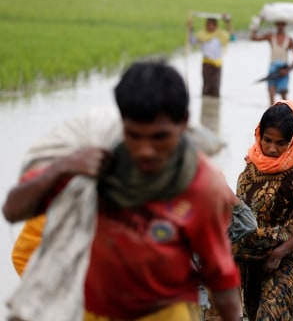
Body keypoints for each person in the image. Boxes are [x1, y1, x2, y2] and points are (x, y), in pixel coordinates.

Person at [3, 61, 242, 320]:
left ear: (183, 123)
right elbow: (13, 210)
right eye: (134, 135)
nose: (145, 150)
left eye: (159, 137)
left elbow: (221, 276)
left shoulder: (203, 187)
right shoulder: (96, 164)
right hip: (93, 311)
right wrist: (62, 167)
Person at [232, 100, 293, 320]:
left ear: (292, 142)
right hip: (245, 257)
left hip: (280, 259)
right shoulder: (251, 164)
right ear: (259, 135)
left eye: (280, 143)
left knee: (270, 315)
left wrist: (279, 253)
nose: (272, 148)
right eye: (267, 140)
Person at [250, 19, 293, 105]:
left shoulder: (289, 40)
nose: (280, 26)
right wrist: (257, 24)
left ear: (284, 25)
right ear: (276, 25)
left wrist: (287, 70)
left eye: (282, 24)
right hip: (273, 68)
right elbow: (253, 38)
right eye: (278, 24)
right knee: (271, 93)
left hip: (284, 68)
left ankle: (286, 115)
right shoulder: (270, 36)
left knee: (284, 96)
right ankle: (272, 114)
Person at [188, 15, 234, 98]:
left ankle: (214, 106)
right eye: (208, 24)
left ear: (216, 26)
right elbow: (192, 41)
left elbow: (233, 38)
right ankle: (205, 104)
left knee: (215, 86)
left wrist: (228, 23)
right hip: (206, 64)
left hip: (217, 65)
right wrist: (190, 29)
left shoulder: (220, 35)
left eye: (212, 25)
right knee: (206, 86)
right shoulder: (202, 35)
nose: (210, 26)